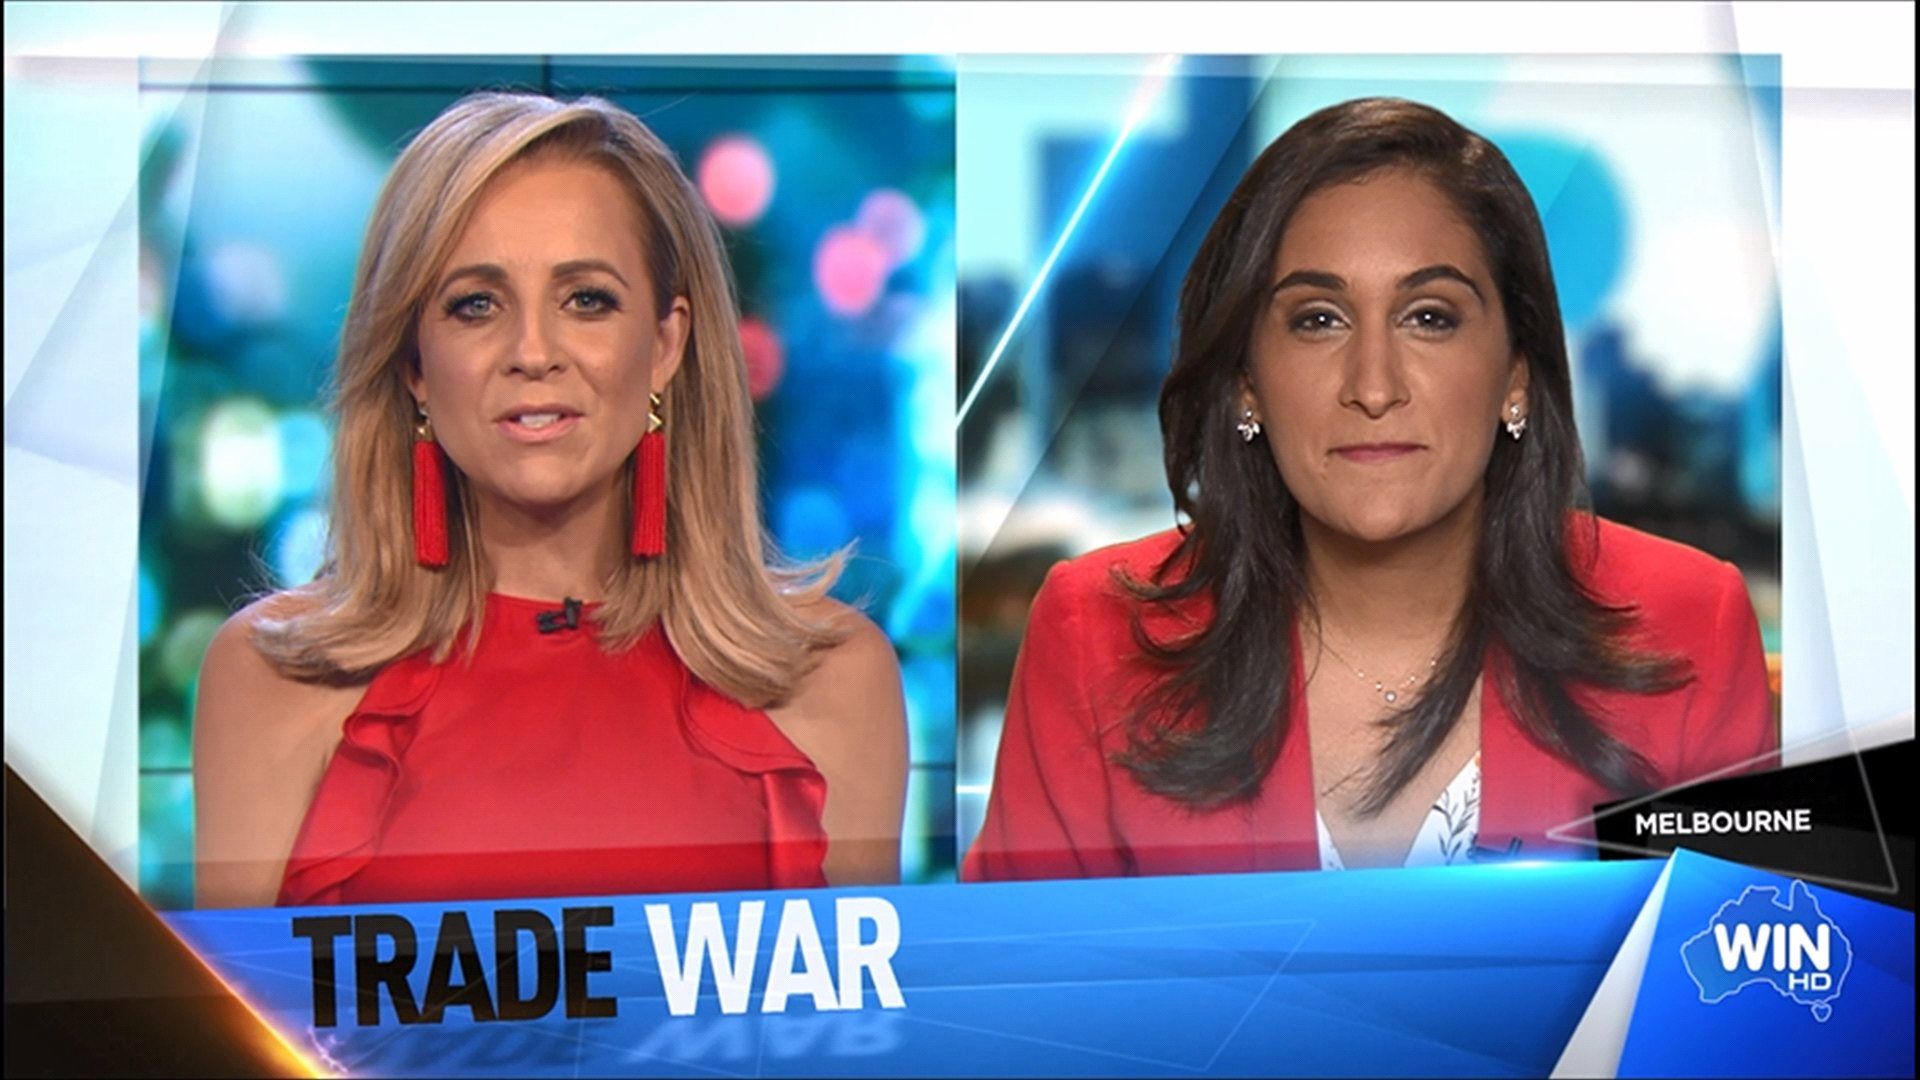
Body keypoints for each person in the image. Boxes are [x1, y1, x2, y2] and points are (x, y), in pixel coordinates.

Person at [963, 97, 1776, 881]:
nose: (1374, 387)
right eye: (1318, 319)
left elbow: (1734, 963)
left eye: (1430, 317)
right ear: (1247, 383)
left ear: (1516, 376)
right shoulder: (1095, 634)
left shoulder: (1687, 626)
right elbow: (1021, 971)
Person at [193, 92, 907, 908]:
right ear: (415, 363)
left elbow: (858, 997)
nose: (532, 352)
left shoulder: (833, 683)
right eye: (476, 305)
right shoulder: (272, 681)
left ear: (665, 344)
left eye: (586, 300)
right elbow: (233, 998)